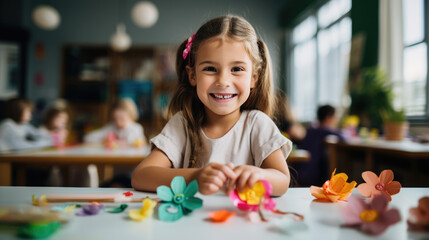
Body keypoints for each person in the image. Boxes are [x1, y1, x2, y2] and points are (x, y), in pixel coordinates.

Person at [132, 15, 292, 197]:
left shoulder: (257, 124)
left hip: (244, 222)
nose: (223, 81)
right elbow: (141, 176)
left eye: (237, 69)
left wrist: (260, 175)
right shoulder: (183, 124)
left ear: (254, 77)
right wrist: (195, 177)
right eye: (210, 69)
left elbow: (282, 180)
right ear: (192, 76)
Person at [295, 105, 346, 187]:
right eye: (335, 117)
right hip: (313, 174)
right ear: (328, 117)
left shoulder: (310, 129)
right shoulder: (323, 130)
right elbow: (343, 137)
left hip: (300, 171)